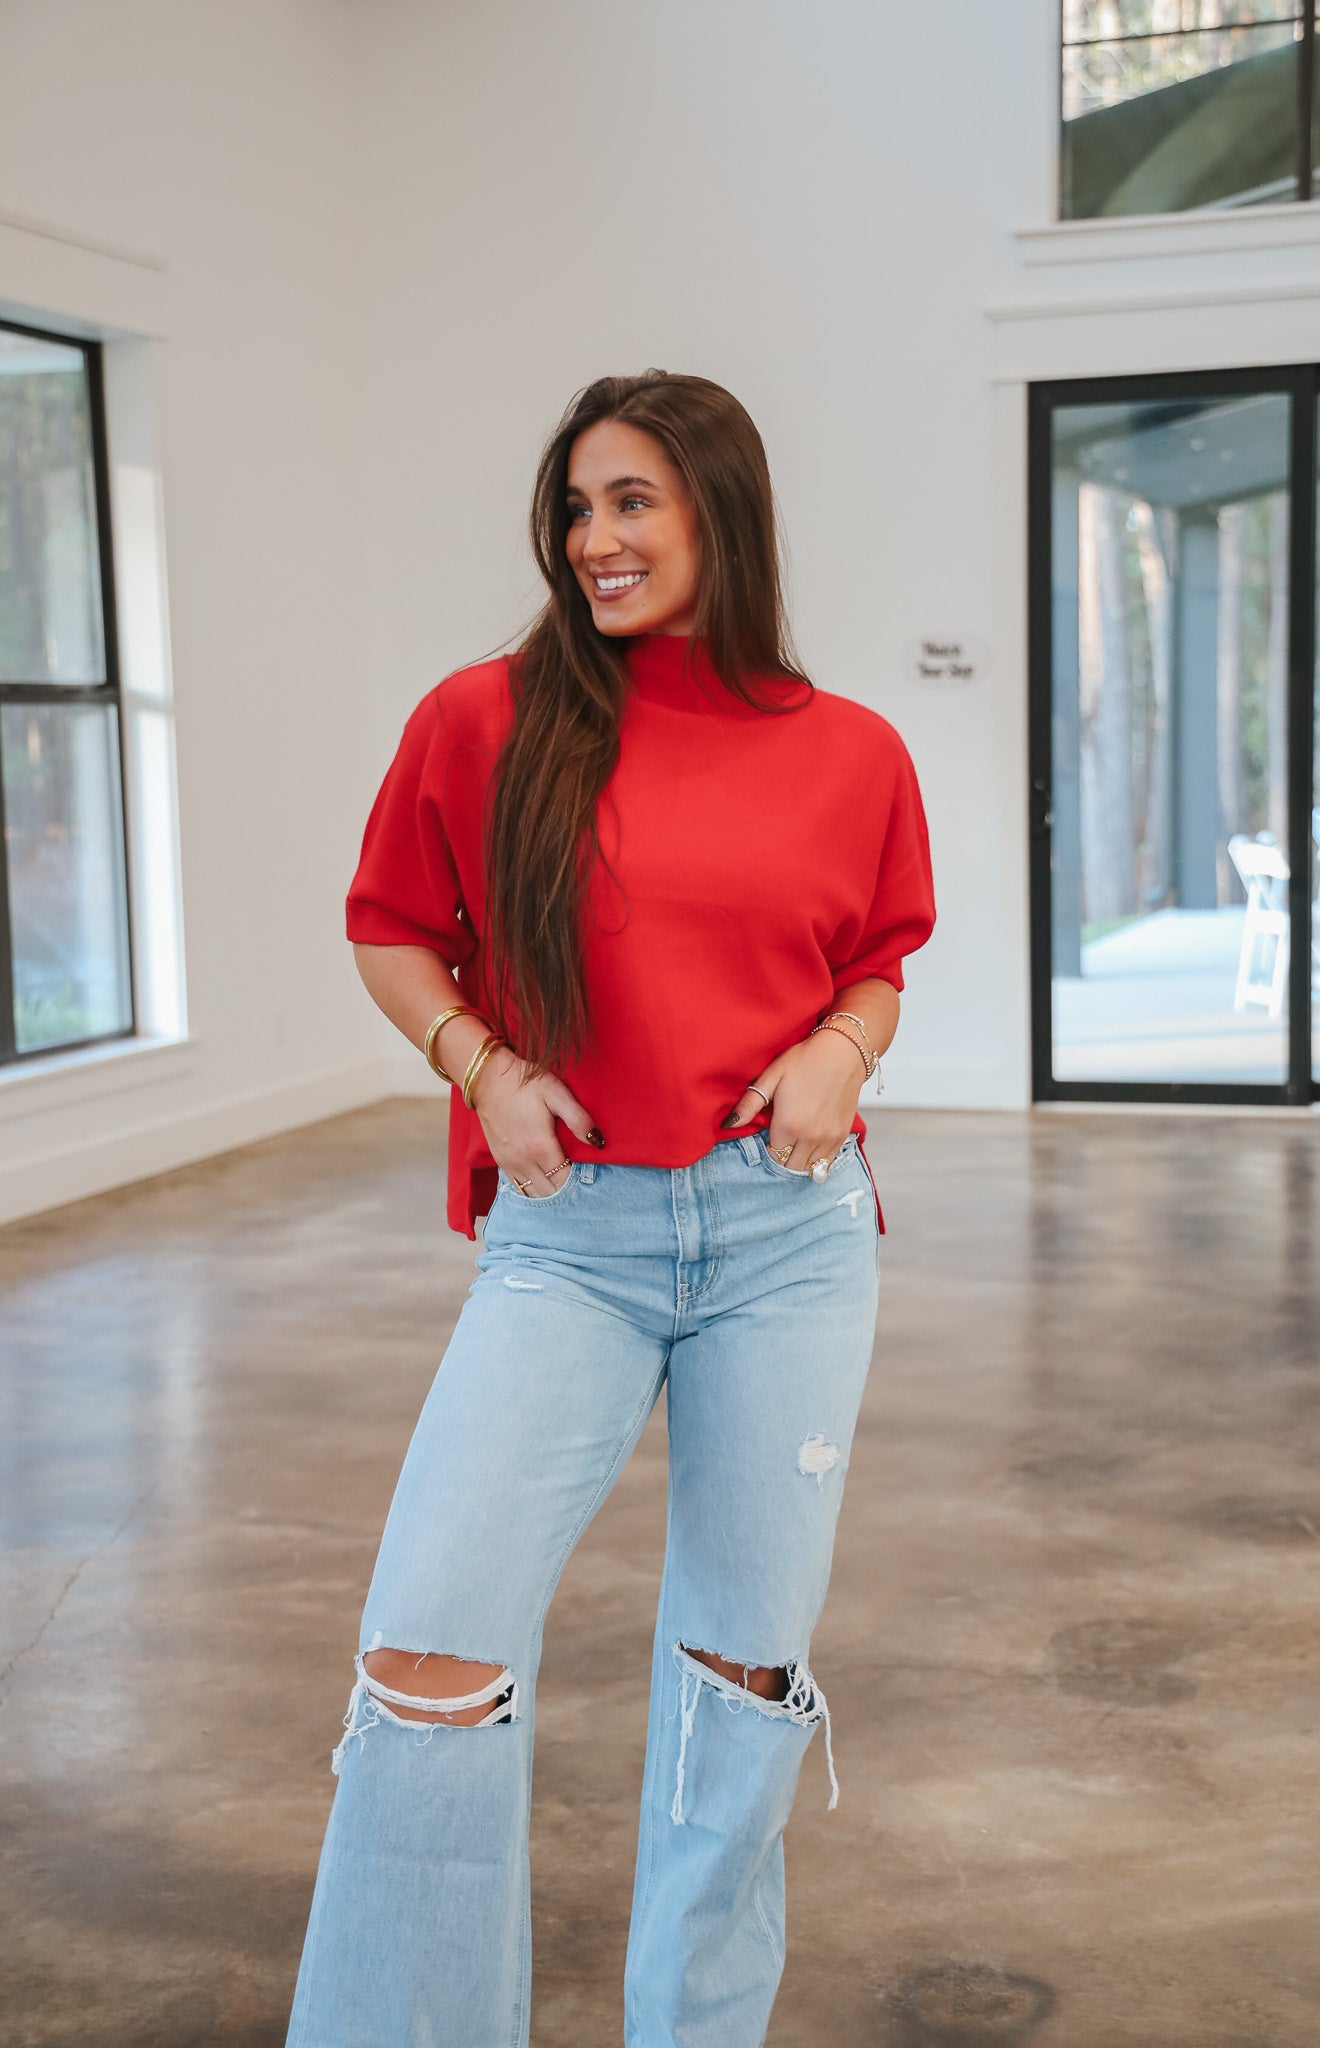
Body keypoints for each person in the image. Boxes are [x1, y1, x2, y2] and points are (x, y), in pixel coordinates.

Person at [285, 369, 934, 2048]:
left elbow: (877, 959)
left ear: (721, 507)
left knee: (739, 1676)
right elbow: (384, 926)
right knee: (429, 1655)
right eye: (577, 507)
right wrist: (481, 1065)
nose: (595, 539)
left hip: (784, 1235)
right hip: (566, 1238)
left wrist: (843, 1050)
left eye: (632, 500)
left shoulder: (850, 748)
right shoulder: (484, 718)